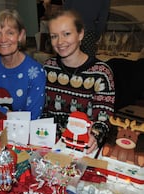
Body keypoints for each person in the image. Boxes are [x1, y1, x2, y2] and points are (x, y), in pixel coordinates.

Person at [42, 10, 115, 153]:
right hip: (48, 143)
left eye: (67, 34)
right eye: (54, 36)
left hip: (82, 146)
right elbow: (42, 110)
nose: (60, 42)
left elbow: (103, 117)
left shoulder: (101, 73)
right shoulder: (47, 67)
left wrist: (95, 135)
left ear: (80, 34)